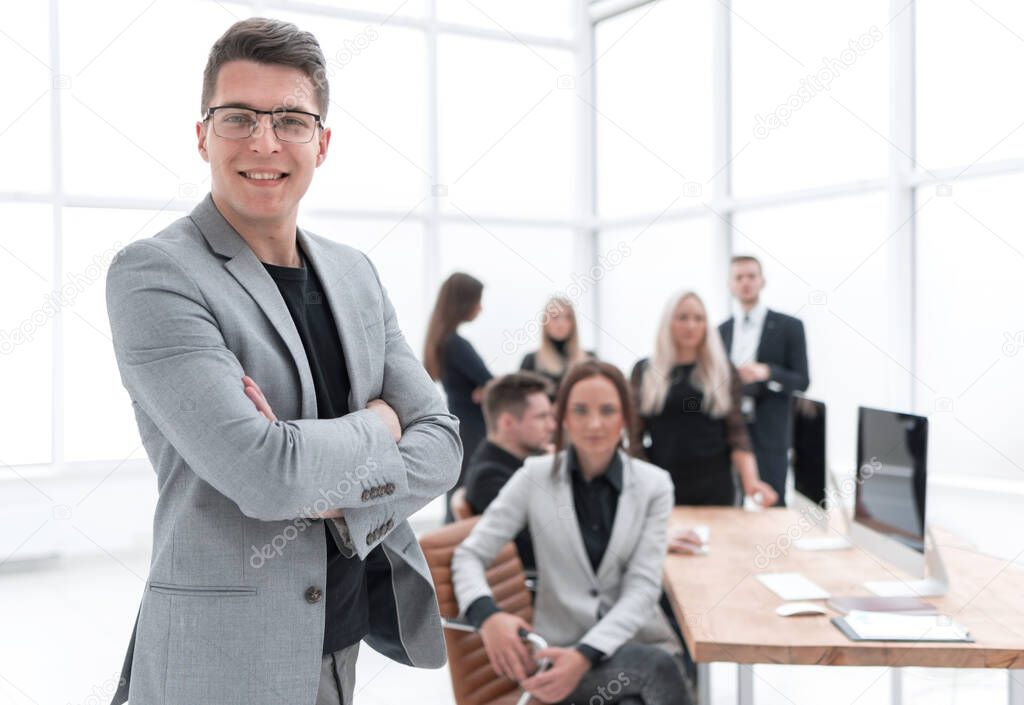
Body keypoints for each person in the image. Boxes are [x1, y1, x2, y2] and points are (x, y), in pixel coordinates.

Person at [104, 18, 461, 705]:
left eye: (291, 120)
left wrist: (318, 484)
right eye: (238, 116)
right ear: (202, 134)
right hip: (218, 665)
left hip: (338, 645)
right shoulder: (156, 274)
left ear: (321, 143)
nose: (264, 141)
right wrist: (383, 423)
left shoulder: (355, 275)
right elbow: (267, 477)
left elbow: (443, 444)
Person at [452, 360, 694, 705]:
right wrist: (486, 615)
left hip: (630, 643)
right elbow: (470, 553)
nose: (594, 424)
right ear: (562, 417)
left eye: (607, 410)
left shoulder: (654, 484)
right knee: (660, 669)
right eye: (580, 410)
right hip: (558, 654)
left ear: (625, 417)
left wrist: (586, 655)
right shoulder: (534, 476)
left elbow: (642, 587)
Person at [631, 291, 778, 508]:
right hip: (662, 485)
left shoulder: (724, 371)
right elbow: (633, 437)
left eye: (698, 318)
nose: (691, 325)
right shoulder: (645, 371)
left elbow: (737, 433)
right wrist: (645, 483)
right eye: (683, 317)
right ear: (668, 322)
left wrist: (751, 482)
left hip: (715, 485)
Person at [719, 256, 809, 506]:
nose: (745, 283)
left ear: (762, 281)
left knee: (773, 501)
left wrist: (768, 372)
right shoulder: (720, 331)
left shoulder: (789, 326)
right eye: (739, 277)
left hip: (770, 430)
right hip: (729, 429)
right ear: (730, 284)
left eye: (751, 276)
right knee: (728, 502)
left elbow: (802, 380)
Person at [462, 372, 556, 571]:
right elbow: (543, 544)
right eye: (542, 417)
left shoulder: (517, 464)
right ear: (507, 422)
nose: (551, 426)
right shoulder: (489, 478)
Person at [424, 272, 494, 522]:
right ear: (464, 302)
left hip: (461, 424)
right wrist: (487, 388)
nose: (480, 307)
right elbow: (491, 381)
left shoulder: (443, 341)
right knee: (466, 493)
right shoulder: (456, 344)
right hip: (472, 428)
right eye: (477, 300)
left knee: (459, 492)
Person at [519, 296, 593, 399]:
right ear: (545, 322)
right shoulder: (530, 361)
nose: (561, 324)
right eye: (555, 317)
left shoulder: (590, 359)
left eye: (567, 317)